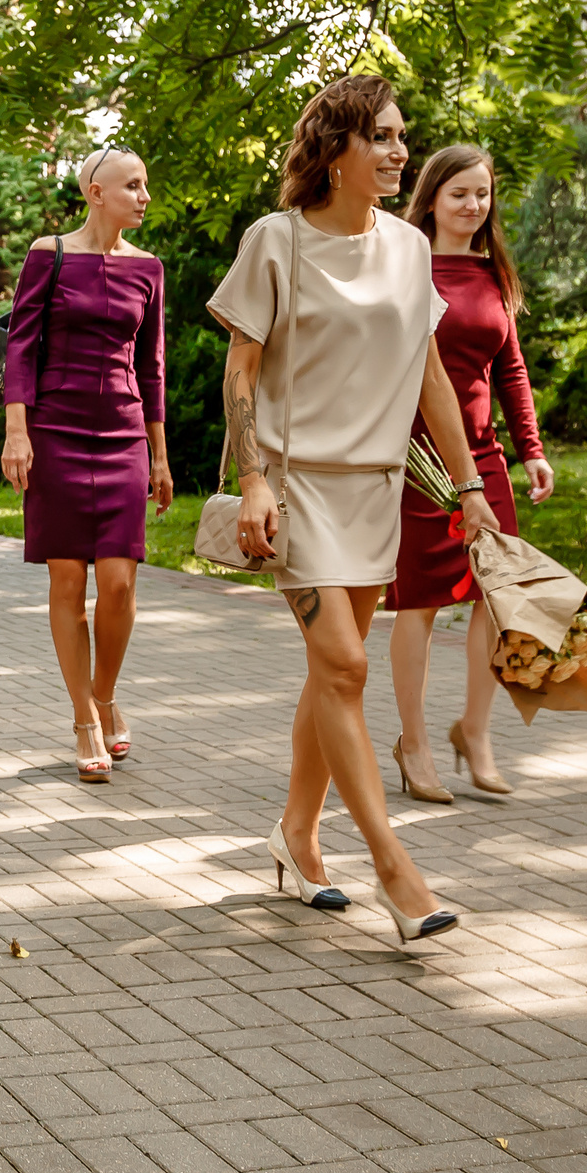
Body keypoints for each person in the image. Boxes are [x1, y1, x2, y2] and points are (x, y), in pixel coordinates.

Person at [210, 76, 501, 945]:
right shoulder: (277, 242)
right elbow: (240, 372)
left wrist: (472, 487)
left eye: (401, 135)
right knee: (343, 663)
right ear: (333, 149)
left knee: (333, 674)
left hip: (380, 490)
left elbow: (431, 377)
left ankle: (295, 838)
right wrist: (253, 477)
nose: (398, 151)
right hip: (296, 493)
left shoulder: (409, 249)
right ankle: (393, 870)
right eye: (379, 135)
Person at [0, 149, 174, 782]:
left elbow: (151, 366)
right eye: (132, 185)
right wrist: (17, 433)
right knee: (68, 582)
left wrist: (159, 454)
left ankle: (105, 691)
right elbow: (20, 345)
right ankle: (83, 717)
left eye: (145, 184)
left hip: (123, 432)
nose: (144, 195)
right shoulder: (51, 254)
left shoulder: (148, 269)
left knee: (121, 583)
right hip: (54, 428)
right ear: (95, 192)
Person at [385, 145, 554, 802]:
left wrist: (530, 448)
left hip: (484, 457)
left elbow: (510, 370)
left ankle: (475, 732)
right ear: (431, 196)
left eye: (483, 194)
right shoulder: (404, 263)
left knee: (495, 597)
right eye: (460, 193)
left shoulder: (493, 272)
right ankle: (414, 741)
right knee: (420, 603)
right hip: (417, 459)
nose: (473, 205)